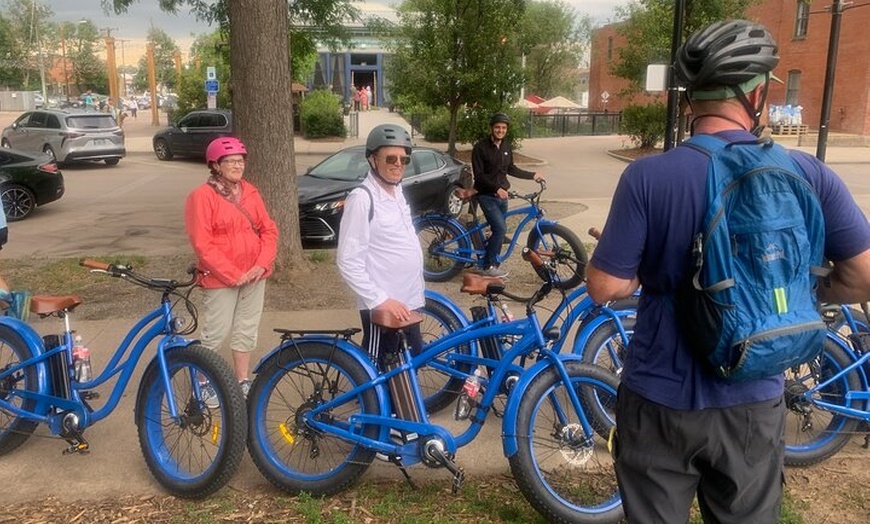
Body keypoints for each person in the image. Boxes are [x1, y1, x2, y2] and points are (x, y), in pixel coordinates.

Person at [586, 20, 870, 523]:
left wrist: (636, 271)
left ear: (690, 98)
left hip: (659, 397)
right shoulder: (808, 173)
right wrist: (814, 288)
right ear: (757, 94)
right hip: (754, 397)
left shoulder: (648, 176)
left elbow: (605, 286)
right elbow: (864, 276)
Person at [185, 137, 278, 403]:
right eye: (231, 161)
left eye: (240, 160)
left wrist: (261, 264)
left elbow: (268, 230)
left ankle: (242, 380)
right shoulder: (202, 197)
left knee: (246, 329)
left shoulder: (250, 192)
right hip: (220, 278)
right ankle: (203, 382)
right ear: (216, 165)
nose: (238, 166)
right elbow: (203, 244)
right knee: (216, 331)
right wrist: (232, 274)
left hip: (254, 274)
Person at [336, 124, 424, 370]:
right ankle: (373, 407)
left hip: (407, 301)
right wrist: (380, 300)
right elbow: (348, 261)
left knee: (409, 364)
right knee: (376, 371)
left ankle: (397, 407)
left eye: (404, 158)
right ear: (373, 159)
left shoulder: (397, 192)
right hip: (383, 307)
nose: (398, 164)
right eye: (391, 158)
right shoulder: (362, 199)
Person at [471, 111, 544, 277]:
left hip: (502, 198)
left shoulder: (506, 146)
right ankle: (488, 267)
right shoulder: (480, 148)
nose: (500, 130)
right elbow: (479, 176)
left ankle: (490, 257)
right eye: (497, 127)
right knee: (500, 229)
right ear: (491, 128)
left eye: (503, 128)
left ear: (506, 130)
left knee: (497, 230)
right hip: (487, 195)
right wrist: (497, 188)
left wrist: (532, 175)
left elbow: (511, 169)